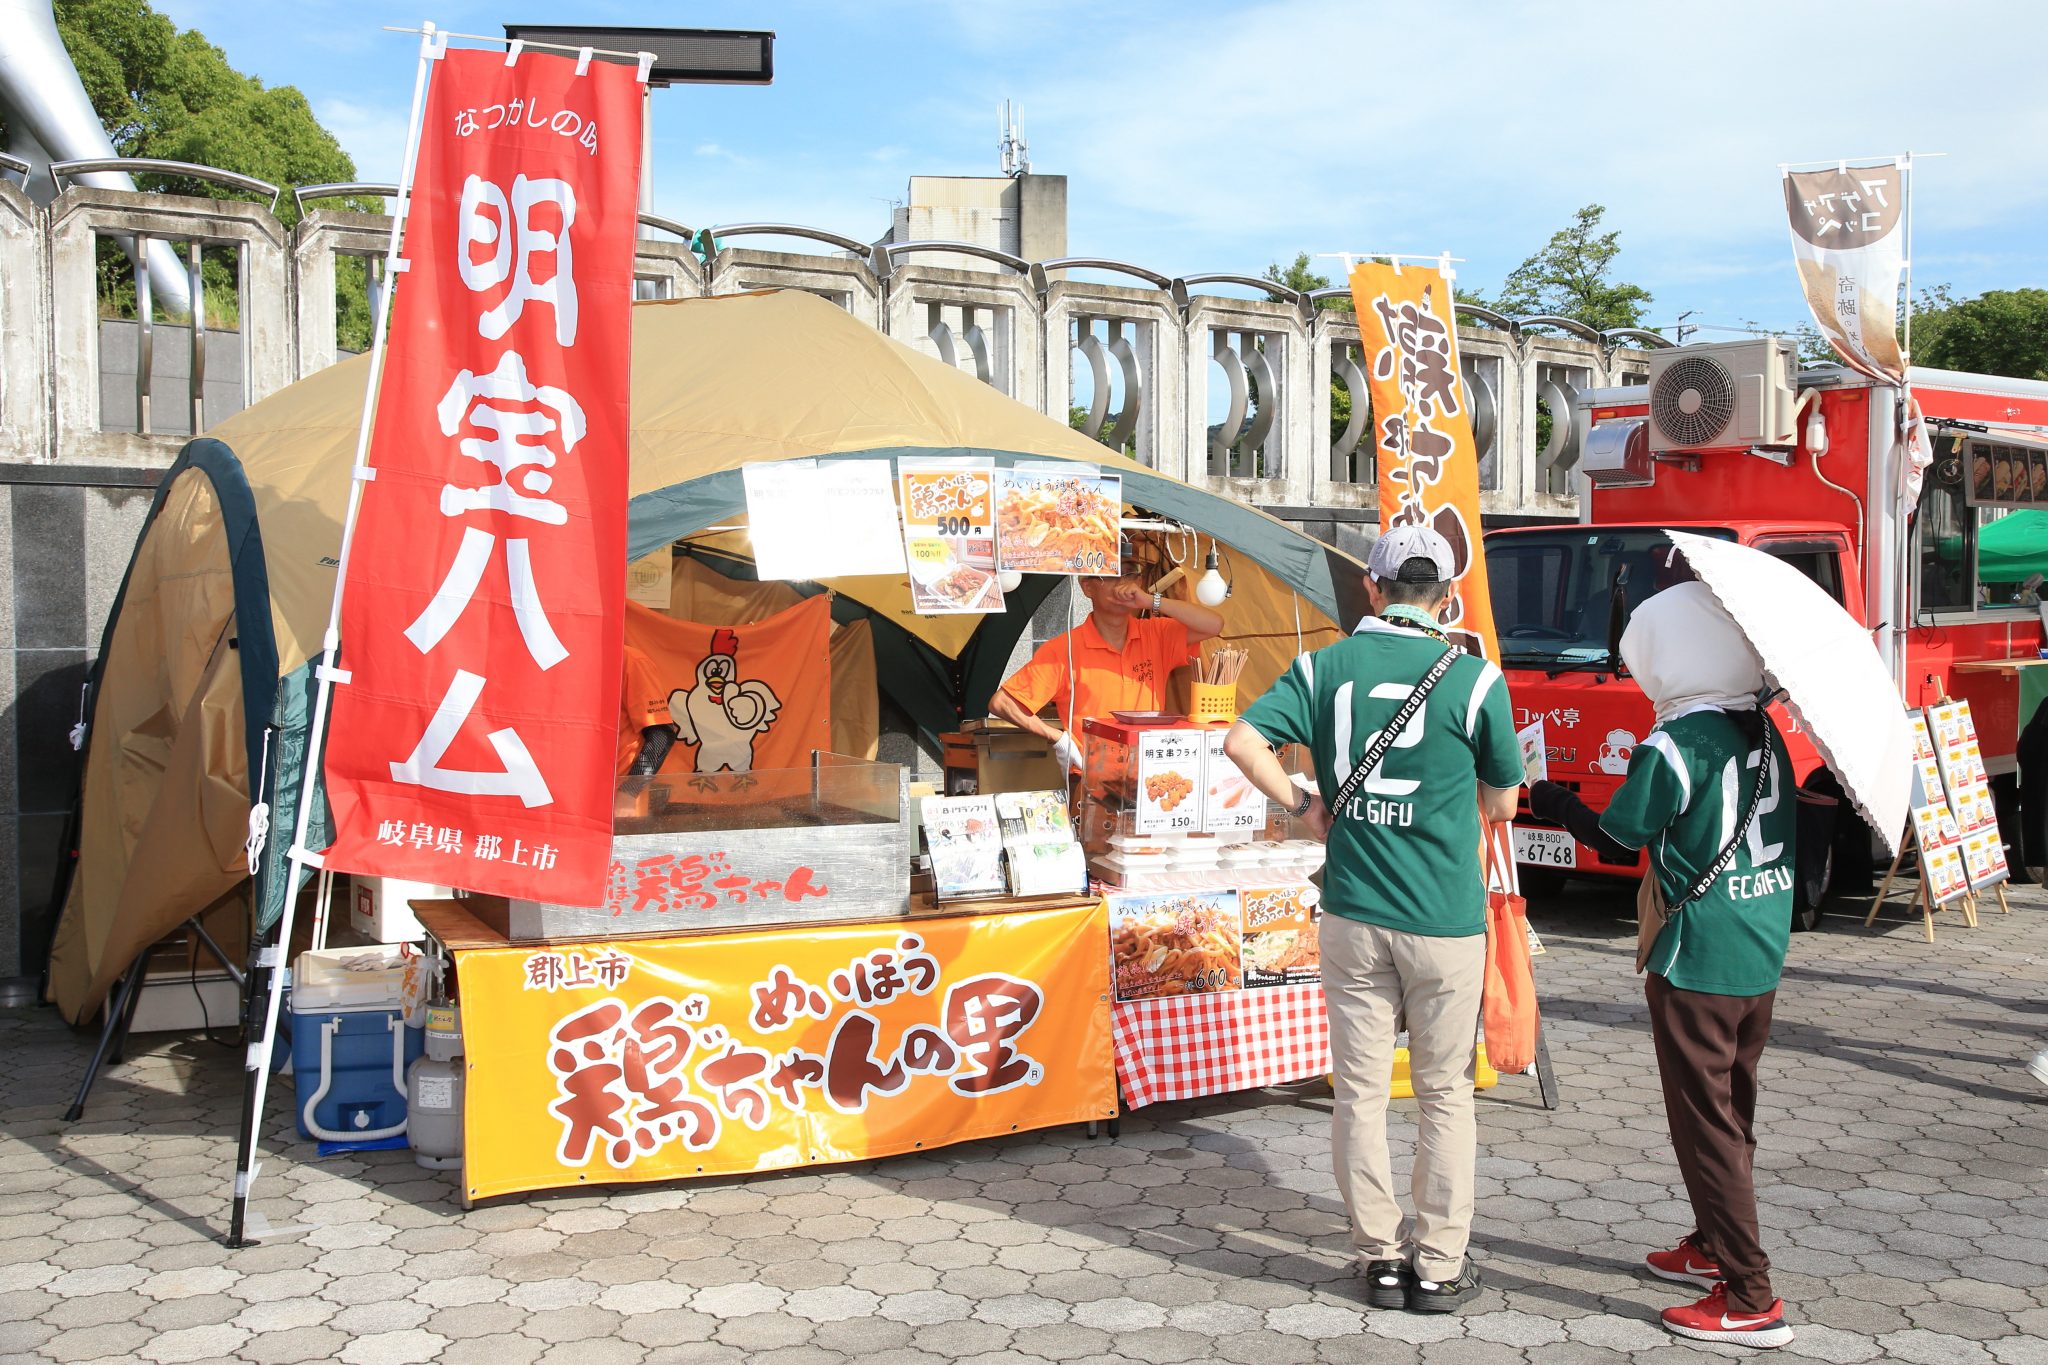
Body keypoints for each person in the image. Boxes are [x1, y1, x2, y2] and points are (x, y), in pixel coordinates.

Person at [1222, 524, 1521, 1315]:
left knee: (1359, 1093)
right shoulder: (1476, 679)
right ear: (1447, 598)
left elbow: (1242, 741)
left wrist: (1303, 803)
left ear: (1372, 588)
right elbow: (1501, 803)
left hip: (1354, 910)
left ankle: (1380, 1258)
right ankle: (1440, 1265)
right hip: (1444, 917)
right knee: (1445, 1092)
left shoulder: (1322, 667)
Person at [1528, 581, 1798, 1350]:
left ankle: (1749, 1295)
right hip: (1760, 943)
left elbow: (1619, 836)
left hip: (1697, 951)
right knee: (1733, 1109)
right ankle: (1713, 1242)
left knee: (1703, 1123)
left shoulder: (1676, 743)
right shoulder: (1763, 728)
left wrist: (1551, 798)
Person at [989, 542, 1224, 771]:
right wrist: (1059, 739)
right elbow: (1003, 703)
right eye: (1111, 574)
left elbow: (1213, 625)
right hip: (1091, 776)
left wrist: (1150, 600)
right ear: (1087, 587)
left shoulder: (1156, 633)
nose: (1122, 583)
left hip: (1150, 770)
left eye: (1130, 573)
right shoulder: (1064, 649)